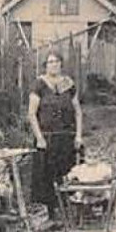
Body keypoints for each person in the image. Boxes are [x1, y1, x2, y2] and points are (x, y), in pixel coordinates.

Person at [27, 51, 82, 214]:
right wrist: (39, 138)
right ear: (45, 65)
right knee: (47, 175)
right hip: (47, 137)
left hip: (66, 136)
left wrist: (78, 135)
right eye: (50, 62)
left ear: (61, 64)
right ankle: (52, 212)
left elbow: (78, 111)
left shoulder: (69, 84)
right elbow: (31, 114)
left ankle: (67, 210)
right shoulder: (39, 85)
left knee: (67, 173)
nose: (54, 64)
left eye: (56, 61)